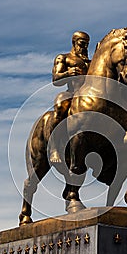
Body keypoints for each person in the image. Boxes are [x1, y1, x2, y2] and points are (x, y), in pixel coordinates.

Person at [50, 31, 90, 163]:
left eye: (86, 45)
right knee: (60, 106)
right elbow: (55, 79)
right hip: (72, 93)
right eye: (81, 44)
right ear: (74, 42)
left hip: (88, 97)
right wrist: (68, 73)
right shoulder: (64, 58)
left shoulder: (91, 63)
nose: (84, 47)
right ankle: (54, 148)